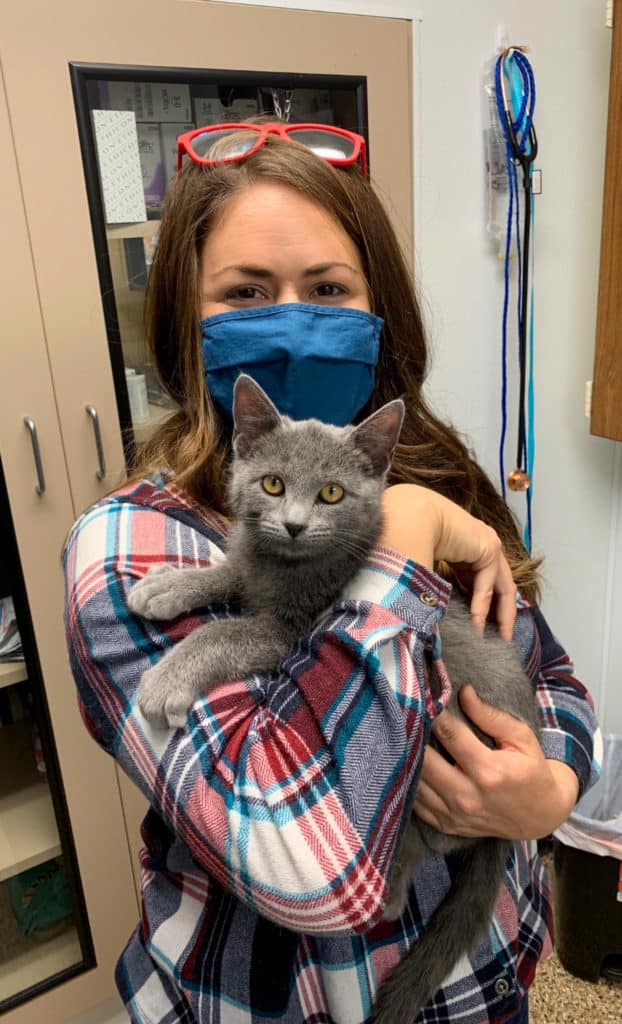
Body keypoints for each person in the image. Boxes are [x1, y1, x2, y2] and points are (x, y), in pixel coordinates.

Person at [63, 122, 600, 1024]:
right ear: (184, 323)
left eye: (327, 289)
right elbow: (309, 866)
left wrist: (548, 791)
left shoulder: (437, 477)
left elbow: (550, 676)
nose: (293, 317)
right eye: (245, 292)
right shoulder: (126, 547)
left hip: (485, 982)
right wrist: (402, 538)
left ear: (375, 308)